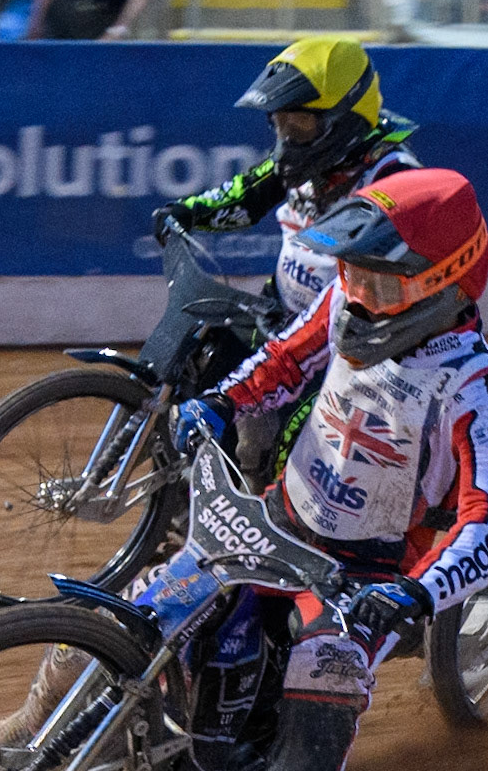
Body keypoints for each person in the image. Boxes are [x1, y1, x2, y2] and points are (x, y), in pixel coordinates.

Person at [0, 169, 488, 771]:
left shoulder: (476, 392)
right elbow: (280, 363)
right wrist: (217, 405)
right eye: (350, 273)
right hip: (273, 521)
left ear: (441, 287)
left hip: (365, 579)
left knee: (324, 671)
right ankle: (32, 725)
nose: (356, 294)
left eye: (378, 283)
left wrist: (418, 597)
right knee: (146, 598)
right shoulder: (342, 306)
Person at [156, 36, 423, 486]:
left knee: (285, 445)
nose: (286, 140)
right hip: (278, 312)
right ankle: (191, 493)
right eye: (279, 125)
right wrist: (187, 210)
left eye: (298, 126)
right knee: (205, 360)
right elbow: (248, 191)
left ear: (342, 120)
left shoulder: (395, 178)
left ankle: (264, 518)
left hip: (343, 350)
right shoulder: (305, 161)